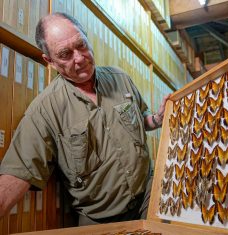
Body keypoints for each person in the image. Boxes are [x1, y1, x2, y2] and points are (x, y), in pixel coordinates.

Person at [0, 12, 170, 225]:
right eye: (65, 54)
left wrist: (157, 119)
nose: (79, 58)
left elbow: (140, 120)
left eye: (81, 45)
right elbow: (19, 173)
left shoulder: (121, 78)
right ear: (49, 61)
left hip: (148, 196)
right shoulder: (45, 109)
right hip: (101, 217)